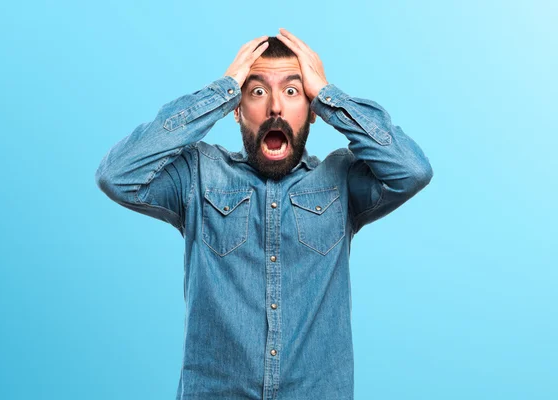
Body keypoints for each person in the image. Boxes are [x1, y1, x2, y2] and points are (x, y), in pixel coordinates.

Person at [95, 28, 433, 400]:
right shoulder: (198, 176)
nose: (275, 106)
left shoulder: (340, 180)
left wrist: (327, 94)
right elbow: (118, 175)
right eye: (257, 91)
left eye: (292, 91)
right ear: (237, 109)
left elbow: (411, 170)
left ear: (311, 112)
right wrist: (221, 90)